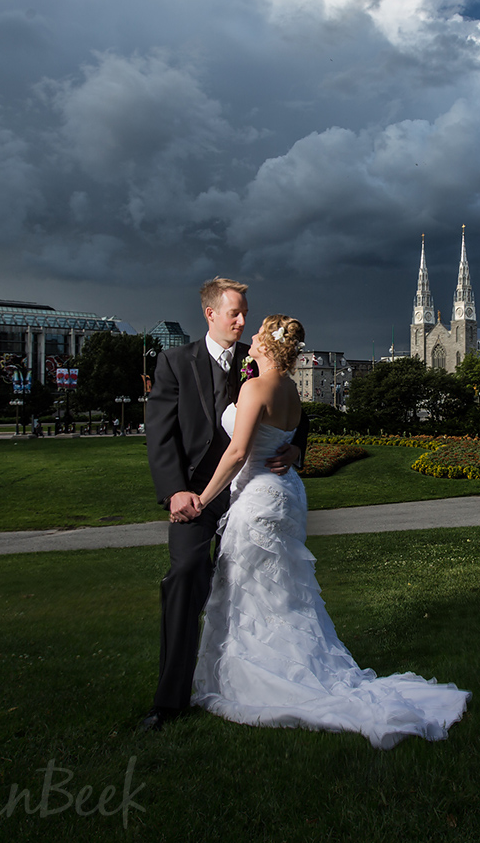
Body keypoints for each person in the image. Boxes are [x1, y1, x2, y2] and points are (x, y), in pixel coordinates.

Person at [189, 315, 471, 749]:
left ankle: (263, 673)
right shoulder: (288, 390)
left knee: (253, 587)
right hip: (285, 494)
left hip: (260, 498)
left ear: (267, 345)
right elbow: (282, 433)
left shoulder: (256, 387)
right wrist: (293, 450)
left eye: (258, 336)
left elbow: (238, 452)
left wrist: (202, 498)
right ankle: (291, 660)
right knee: (283, 589)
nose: (251, 340)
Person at [143, 279, 308, 731]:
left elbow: (298, 417)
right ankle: (170, 700)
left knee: (253, 590)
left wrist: (296, 449)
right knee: (185, 576)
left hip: (251, 495)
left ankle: (251, 682)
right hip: (196, 496)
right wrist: (175, 491)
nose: (242, 321)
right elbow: (160, 432)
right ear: (210, 314)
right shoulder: (175, 362)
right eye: (235, 313)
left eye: (246, 314)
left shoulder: (259, 360)